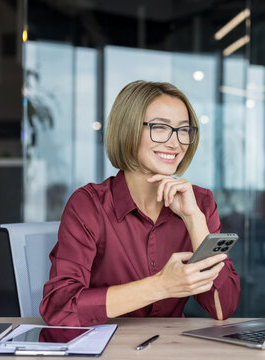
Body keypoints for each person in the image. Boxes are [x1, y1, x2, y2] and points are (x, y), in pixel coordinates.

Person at [40, 80, 240, 326]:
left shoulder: (200, 203)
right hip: (106, 348)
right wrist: (161, 286)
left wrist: (194, 220)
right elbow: (60, 307)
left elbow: (223, 307)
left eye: (184, 130)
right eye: (160, 127)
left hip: (171, 348)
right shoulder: (89, 205)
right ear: (128, 129)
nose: (175, 143)